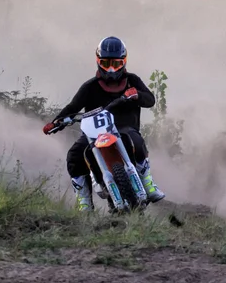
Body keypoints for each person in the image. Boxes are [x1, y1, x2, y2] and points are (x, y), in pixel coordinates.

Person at [42, 36, 165, 211]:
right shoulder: (90, 86)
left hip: (125, 130)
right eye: (106, 63)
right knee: (74, 155)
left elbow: (150, 100)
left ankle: (148, 184)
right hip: (94, 135)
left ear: (124, 62)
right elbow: (73, 107)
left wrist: (137, 94)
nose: (111, 69)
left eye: (116, 63)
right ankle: (84, 200)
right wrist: (56, 122)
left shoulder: (132, 81)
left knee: (136, 142)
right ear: (98, 61)